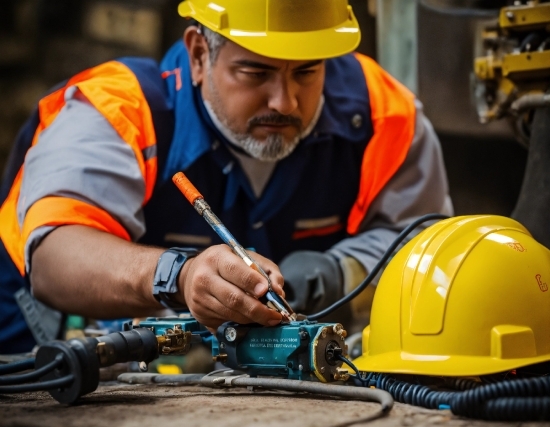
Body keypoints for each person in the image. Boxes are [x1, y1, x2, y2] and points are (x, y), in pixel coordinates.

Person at [0, 0, 453, 353]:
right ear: (199, 53)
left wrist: (338, 272)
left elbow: (428, 244)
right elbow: (54, 256)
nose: (286, 103)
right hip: (42, 344)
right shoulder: (117, 111)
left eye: (307, 72)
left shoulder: (382, 114)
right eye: (256, 72)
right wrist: (178, 277)